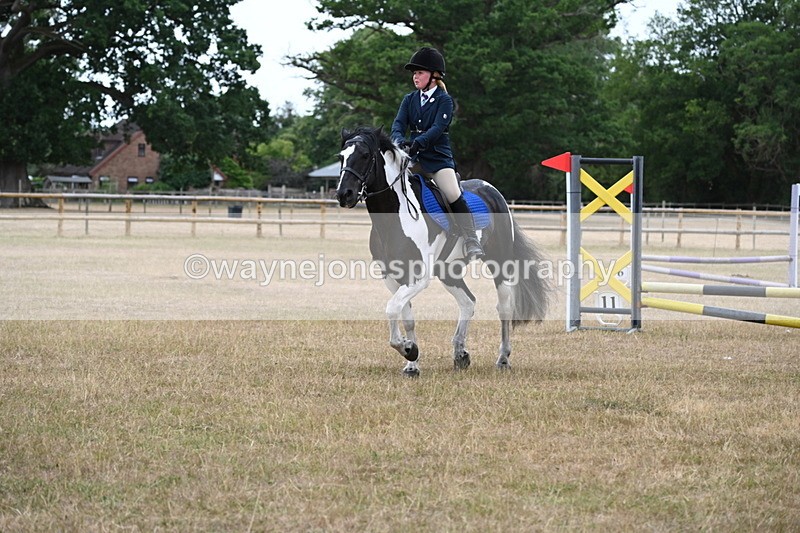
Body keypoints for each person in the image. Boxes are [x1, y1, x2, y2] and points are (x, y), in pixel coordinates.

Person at [391, 47, 484, 260]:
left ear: (434, 76)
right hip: (413, 158)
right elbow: (398, 124)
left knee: (452, 193)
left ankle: (471, 239)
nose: (415, 77)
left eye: (420, 73)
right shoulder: (409, 99)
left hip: (438, 161)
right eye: (414, 73)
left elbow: (436, 129)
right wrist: (397, 142)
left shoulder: (444, 100)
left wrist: (416, 143)